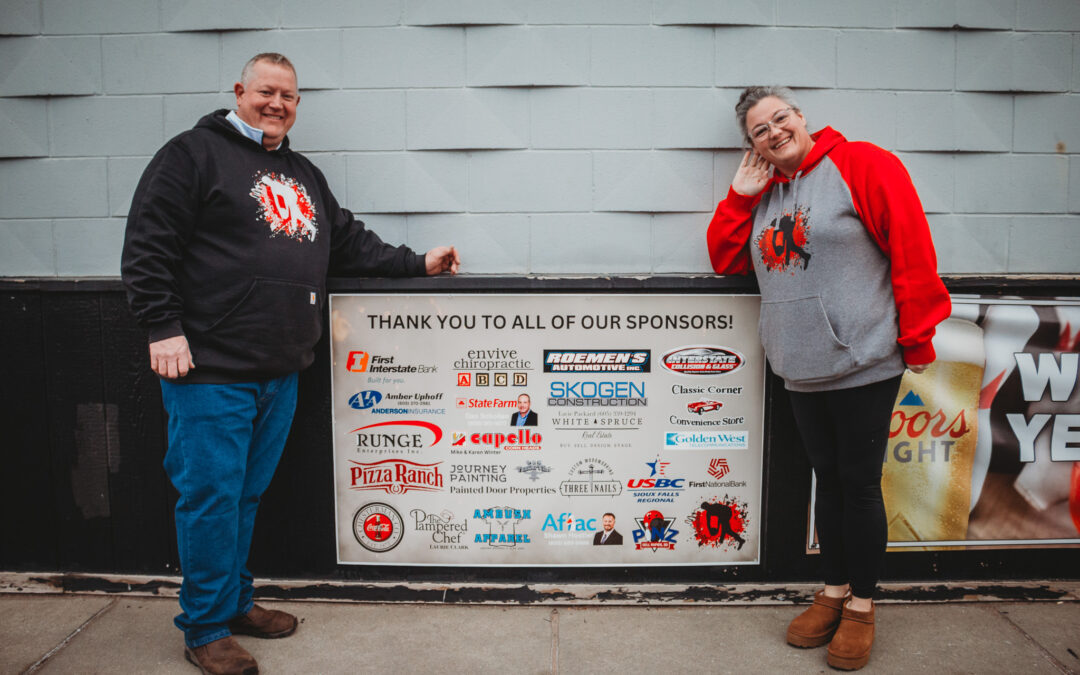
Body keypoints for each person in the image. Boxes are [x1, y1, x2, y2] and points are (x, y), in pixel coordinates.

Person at [121, 53, 460, 675]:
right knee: (210, 499)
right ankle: (204, 627)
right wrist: (161, 326)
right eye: (266, 92)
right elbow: (149, 242)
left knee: (243, 497)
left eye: (290, 96)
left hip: (279, 369)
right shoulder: (192, 154)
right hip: (209, 369)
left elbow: (349, 241)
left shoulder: (302, 173)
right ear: (240, 92)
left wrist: (419, 262)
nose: (277, 104)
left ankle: (234, 603)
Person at [706, 86, 949, 671]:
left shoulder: (862, 163)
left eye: (780, 118)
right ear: (753, 147)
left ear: (801, 116)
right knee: (828, 484)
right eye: (760, 131)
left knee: (858, 485)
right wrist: (739, 200)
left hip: (863, 360)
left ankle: (861, 606)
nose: (774, 132)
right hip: (800, 366)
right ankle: (833, 590)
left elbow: (911, 248)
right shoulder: (764, 192)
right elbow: (724, 258)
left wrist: (918, 337)